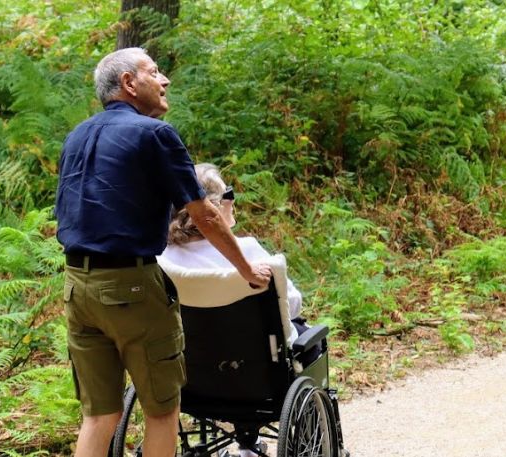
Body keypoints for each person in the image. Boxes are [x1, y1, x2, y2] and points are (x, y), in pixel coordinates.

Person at [55, 47, 271, 457]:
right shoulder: (155, 134)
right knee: (161, 410)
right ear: (129, 84)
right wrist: (245, 270)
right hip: (132, 287)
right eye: (154, 72)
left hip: (76, 287)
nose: (165, 79)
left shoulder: (76, 135)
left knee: (99, 415)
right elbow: (205, 215)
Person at [159, 164, 320, 457]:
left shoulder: (164, 259)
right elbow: (292, 304)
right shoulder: (247, 251)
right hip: (260, 380)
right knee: (312, 340)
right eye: (227, 194)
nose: (232, 200)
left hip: (191, 380)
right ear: (211, 208)